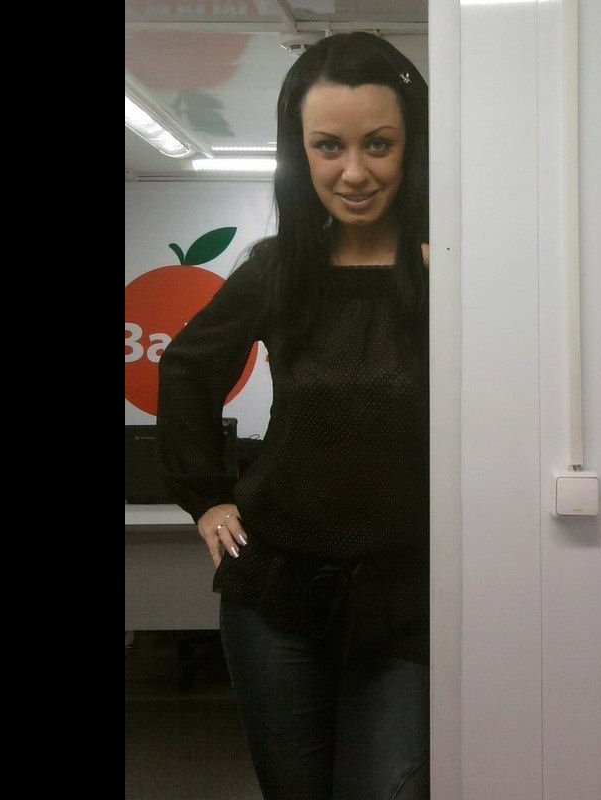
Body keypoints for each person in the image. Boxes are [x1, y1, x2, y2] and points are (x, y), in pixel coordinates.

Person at [155, 31, 429, 800]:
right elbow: (186, 369)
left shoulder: (450, 270)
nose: (354, 172)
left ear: (411, 146)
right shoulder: (279, 270)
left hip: (408, 600)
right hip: (276, 595)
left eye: (378, 144)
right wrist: (207, 497)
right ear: (299, 151)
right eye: (328, 146)